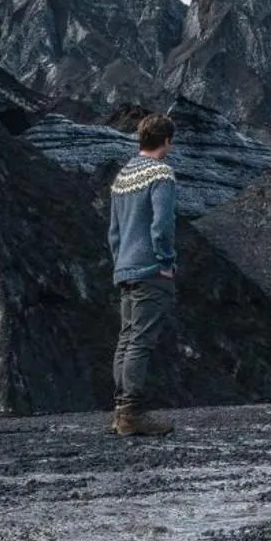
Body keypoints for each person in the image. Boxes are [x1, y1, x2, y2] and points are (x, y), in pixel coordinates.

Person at [107, 111, 179, 436]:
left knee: (125, 339)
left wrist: (120, 261)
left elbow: (114, 231)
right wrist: (165, 261)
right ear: (166, 141)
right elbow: (162, 225)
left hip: (125, 268)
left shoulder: (122, 176)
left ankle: (120, 411)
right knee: (141, 341)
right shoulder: (160, 174)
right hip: (150, 268)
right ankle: (132, 414)